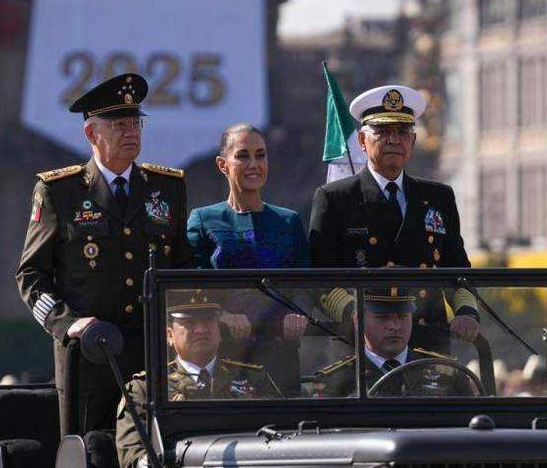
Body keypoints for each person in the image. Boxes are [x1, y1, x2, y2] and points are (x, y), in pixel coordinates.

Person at [16, 73, 193, 444]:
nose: (131, 132)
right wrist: (67, 324)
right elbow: (31, 276)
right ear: (91, 134)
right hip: (90, 354)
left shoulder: (167, 188)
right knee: (91, 447)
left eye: (135, 123)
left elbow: (182, 269)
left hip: (153, 351)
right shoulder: (59, 192)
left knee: (157, 447)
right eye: (118, 124)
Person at [308, 85, 479, 354]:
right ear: (363, 141)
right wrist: (355, 313)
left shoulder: (438, 197)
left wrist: (467, 311)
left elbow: (456, 267)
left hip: (427, 342)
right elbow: (320, 278)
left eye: (402, 132)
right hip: (360, 344)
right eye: (383, 132)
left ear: (412, 142)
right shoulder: (336, 198)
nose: (394, 140)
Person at [186, 123, 310, 394]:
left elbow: (305, 284)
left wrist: (297, 313)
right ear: (223, 165)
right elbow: (193, 287)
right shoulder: (203, 220)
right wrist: (222, 315)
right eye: (243, 156)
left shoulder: (288, 221)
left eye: (261, 155)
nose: (254, 164)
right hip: (226, 355)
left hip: (280, 355)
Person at [115, 291, 282, 468]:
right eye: (189, 323)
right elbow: (131, 456)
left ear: (219, 331)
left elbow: (282, 431)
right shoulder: (146, 388)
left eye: (209, 321)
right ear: (170, 335)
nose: (201, 329)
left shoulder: (253, 377)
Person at [313, 287, 476, 398]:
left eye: (403, 317)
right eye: (382, 318)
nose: (395, 326)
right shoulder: (337, 380)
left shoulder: (448, 374)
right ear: (358, 321)